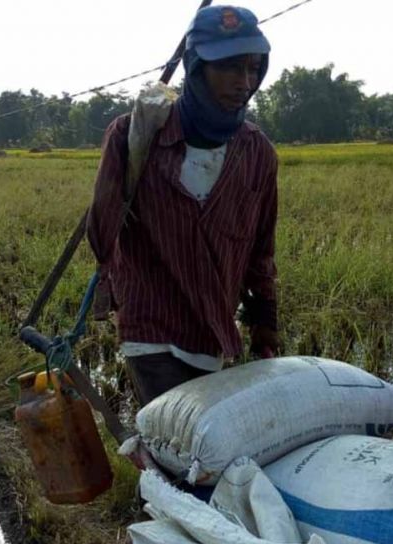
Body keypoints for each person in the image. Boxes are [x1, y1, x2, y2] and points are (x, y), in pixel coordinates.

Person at [88, 5, 279, 407]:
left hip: (211, 325)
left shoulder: (257, 151)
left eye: (253, 68)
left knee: (196, 449)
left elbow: (261, 247)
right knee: (178, 435)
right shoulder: (135, 134)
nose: (243, 82)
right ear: (194, 67)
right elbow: (102, 233)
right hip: (149, 324)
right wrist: (126, 153)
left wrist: (264, 318)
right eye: (228, 67)